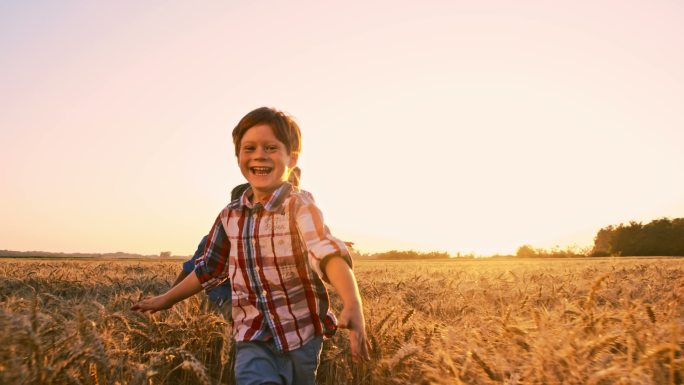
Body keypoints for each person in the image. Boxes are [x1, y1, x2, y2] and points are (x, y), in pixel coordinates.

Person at [132, 107, 369, 385]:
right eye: (249, 148)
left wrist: (353, 302)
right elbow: (208, 268)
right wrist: (166, 299)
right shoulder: (228, 216)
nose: (259, 154)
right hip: (251, 334)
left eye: (271, 147)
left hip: (301, 335)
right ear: (238, 157)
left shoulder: (300, 206)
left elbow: (326, 253)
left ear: (291, 158)